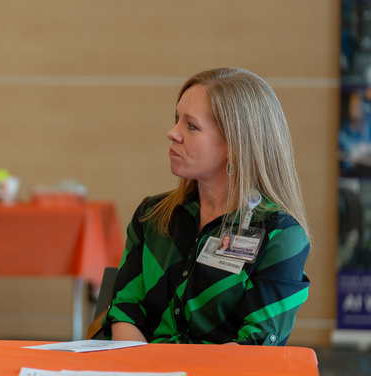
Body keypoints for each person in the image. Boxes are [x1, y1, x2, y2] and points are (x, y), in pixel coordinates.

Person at [92, 68, 310, 346]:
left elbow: (255, 346)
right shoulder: (152, 216)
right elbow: (124, 312)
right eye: (176, 120)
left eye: (191, 126)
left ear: (235, 144)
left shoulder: (280, 235)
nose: (172, 133)